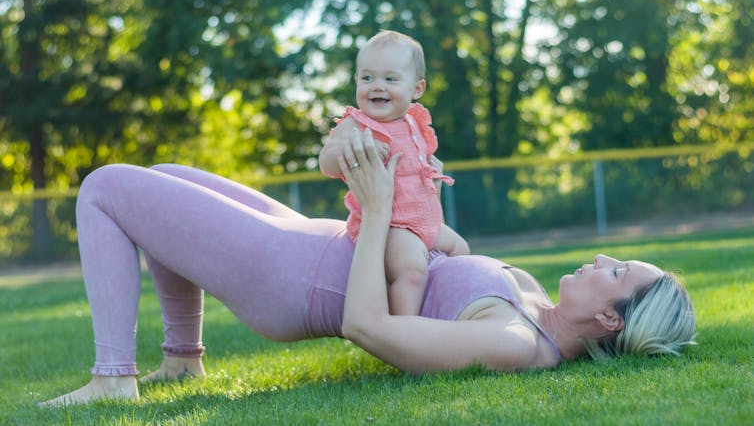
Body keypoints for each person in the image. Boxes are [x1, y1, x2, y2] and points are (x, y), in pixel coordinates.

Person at [41, 128, 696, 407]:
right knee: (162, 179)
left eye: (618, 270)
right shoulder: (529, 304)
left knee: (104, 187)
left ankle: (113, 376)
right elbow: (445, 265)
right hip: (316, 240)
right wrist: (416, 193)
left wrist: (380, 208)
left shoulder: (514, 340)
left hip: (288, 276)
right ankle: (181, 359)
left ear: (611, 316)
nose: (603, 258)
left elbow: (367, 325)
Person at [319, 30, 469, 315]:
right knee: (412, 271)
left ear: (417, 89)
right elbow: (326, 163)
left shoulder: (414, 122)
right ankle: (401, 330)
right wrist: (359, 149)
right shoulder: (357, 124)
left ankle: (446, 312)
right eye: (367, 78)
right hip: (390, 226)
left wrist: (432, 165)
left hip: (425, 222)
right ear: (356, 81)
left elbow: (416, 161)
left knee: (460, 250)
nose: (377, 86)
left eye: (390, 79)